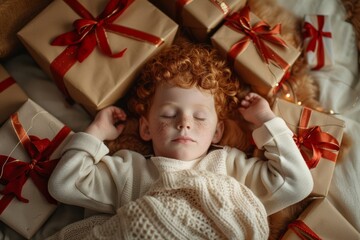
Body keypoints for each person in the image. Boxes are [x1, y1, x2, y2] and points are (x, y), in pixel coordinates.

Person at [47, 40, 313, 239]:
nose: (184, 122)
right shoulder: (130, 170)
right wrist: (96, 132)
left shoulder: (230, 166)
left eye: (199, 117)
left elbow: (296, 183)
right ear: (146, 128)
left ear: (217, 132)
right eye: (169, 113)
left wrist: (267, 122)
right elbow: (65, 184)